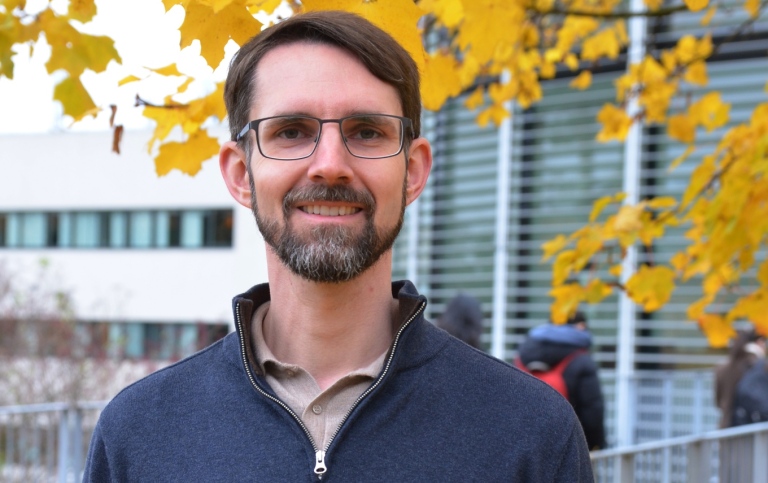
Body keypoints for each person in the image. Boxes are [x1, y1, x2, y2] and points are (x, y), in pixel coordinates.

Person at [83, 11, 592, 481]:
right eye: (291, 131)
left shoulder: (531, 432)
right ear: (241, 175)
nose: (330, 163)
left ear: (413, 171)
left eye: (367, 131)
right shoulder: (138, 433)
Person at [517, 311, 607, 450]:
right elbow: (592, 411)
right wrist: (595, 445)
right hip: (565, 445)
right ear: (581, 326)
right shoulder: (581, 359)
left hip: (524, 441)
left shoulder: (523, 353)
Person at [714, 327, 766, 428]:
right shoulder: (759, 366)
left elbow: (718, 402)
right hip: (754, 428)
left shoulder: (722, 368)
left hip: (727, 427)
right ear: (759, 342)